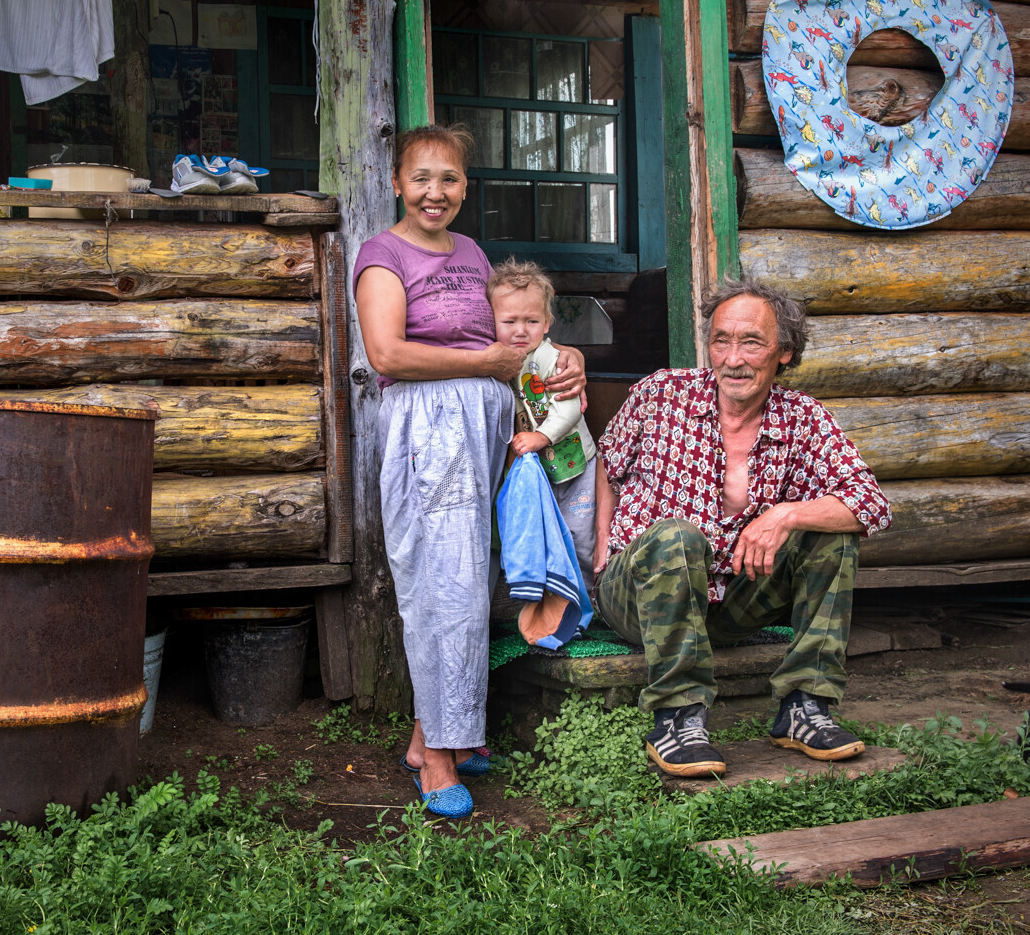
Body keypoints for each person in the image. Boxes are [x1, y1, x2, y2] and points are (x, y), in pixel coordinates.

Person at [353, 123, 585, 819]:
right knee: (441, 585)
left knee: (474, 577)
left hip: (486, 427)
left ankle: (435, 733)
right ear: (397, 182)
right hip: (428, 429)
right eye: (421, 178)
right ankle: (438, 759)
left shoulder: (473, 252)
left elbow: (511, 329)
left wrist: (559, 351)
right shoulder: (380, 254)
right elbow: (387, 354)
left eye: (449, 179)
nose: (435, 192)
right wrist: (484, 365)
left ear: (463, 187)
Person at [593, 276, 891, 778]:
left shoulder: (804, 419)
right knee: (677, 536)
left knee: (831, 533)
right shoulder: (661, 394)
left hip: (730, 599)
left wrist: (785, 514)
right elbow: (609, 461)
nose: (733, 359)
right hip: (639, 595)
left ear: (785, 353)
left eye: (751, 342)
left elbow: (870, 504)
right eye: (721, 340)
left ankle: (804, 706)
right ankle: (677, 716)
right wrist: (603, 546)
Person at [486, 258, 601, 646]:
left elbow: (568, 408)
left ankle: (589, 605)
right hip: (541, 472)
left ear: (547, 323)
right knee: (549, 534)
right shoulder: (497, 361)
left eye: (532, 322)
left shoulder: (549, 358)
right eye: (510, 322)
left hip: (574, 466)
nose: (521, 331)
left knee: (580, 537)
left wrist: (541, 437)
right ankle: (550, 602)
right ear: (492, 320)